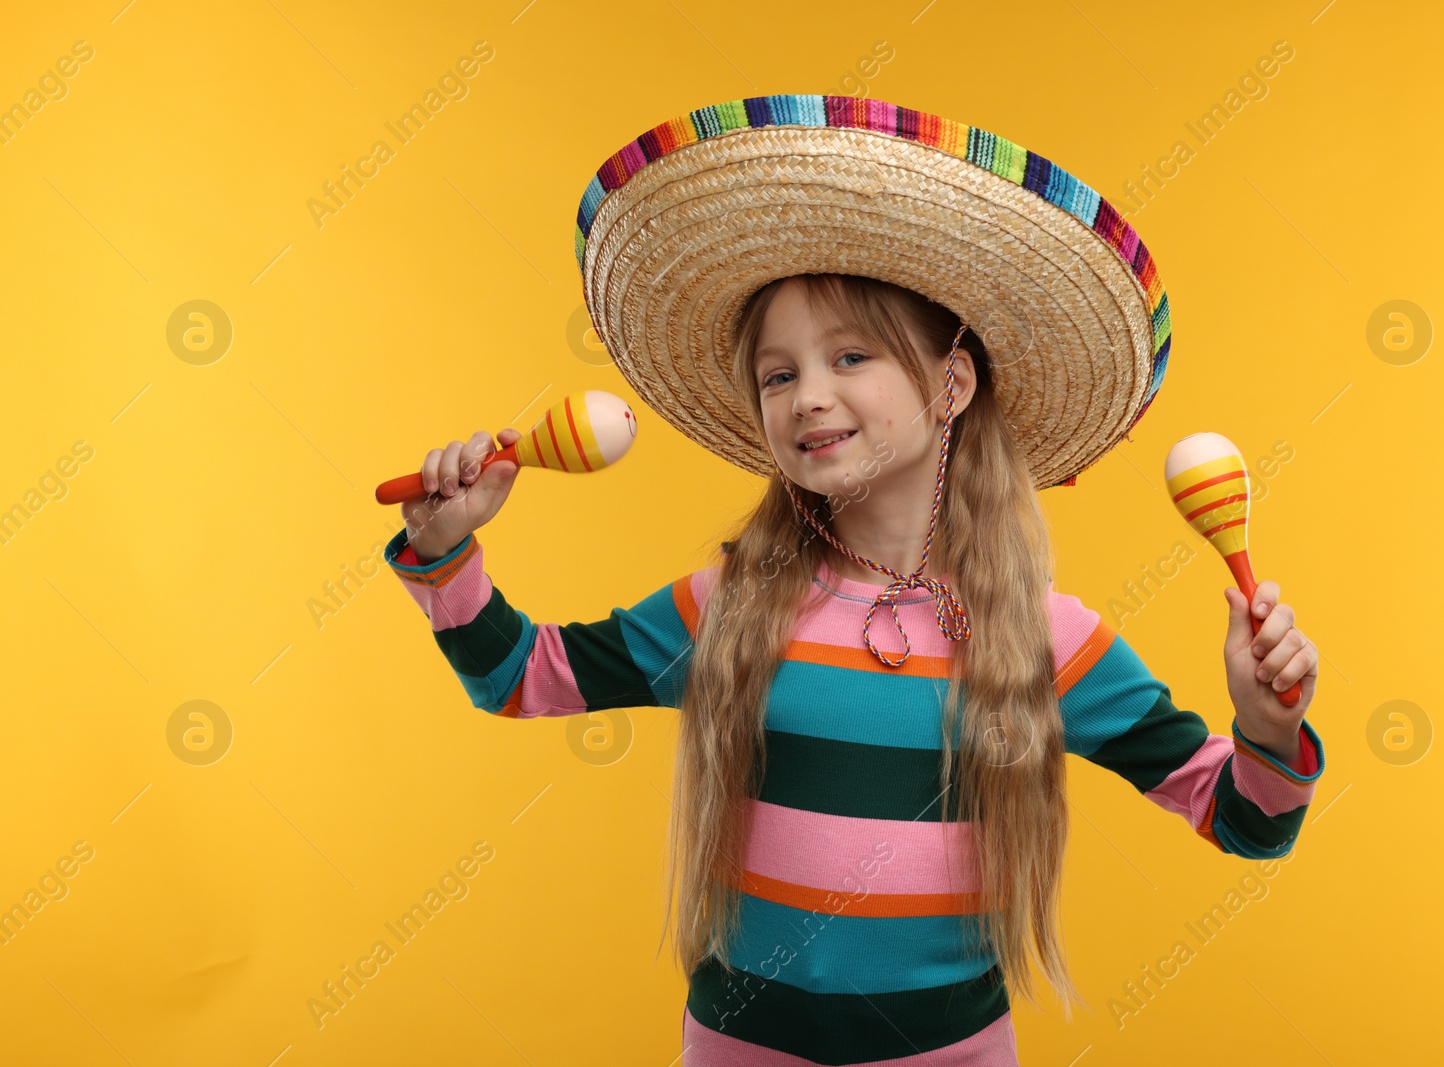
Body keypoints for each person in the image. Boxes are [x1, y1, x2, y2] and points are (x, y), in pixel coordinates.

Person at [383, 95, 1325, 1067]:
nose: (808, 395)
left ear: (952, 385)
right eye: (776, 373)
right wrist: (447, 551)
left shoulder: (1045, 636)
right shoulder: (731, 603)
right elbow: (522, 676)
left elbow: (1245, 820)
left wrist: (1268, 728)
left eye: (850, 355)